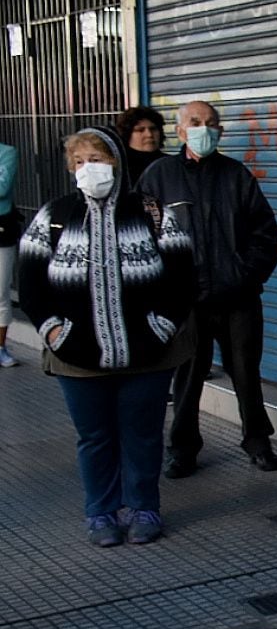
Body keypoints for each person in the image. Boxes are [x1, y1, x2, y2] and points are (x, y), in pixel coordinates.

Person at [16, 128, 195, 545]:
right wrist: (53, 331)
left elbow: (182, 278)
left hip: (148, 352)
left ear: (116, 162)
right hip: (75, 355)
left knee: (143, 434)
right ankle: (101, 512)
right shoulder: (54, 216)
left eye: (97, 159)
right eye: (79, 162)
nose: (88, 169)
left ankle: (144, 507)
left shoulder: (151, 212)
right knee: (94, 437)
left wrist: (161, 326)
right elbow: (30, 283)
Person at [139, 99, 277, 476]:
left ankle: (258, 441)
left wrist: (243, 276)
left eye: (211, 122)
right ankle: (183, 448)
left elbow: (265, 237)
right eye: (196, 122)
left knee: (246, 374)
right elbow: (142, 239)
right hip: (186, 303)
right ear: (180, 130)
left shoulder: (237, 176)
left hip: (237, 299)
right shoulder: (159, 176)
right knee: (187, 379)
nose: (204, 128)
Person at [0, 138, 19, 369]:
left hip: (1, 229)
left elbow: (2, 188)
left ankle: (1, 347)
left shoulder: (7, 152)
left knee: (1, 291)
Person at [116, 106, 166, 187]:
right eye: (140, 130)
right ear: (127, 134)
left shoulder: (171, 164)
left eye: (153, 129)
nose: (149, 135)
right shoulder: (120, 167)